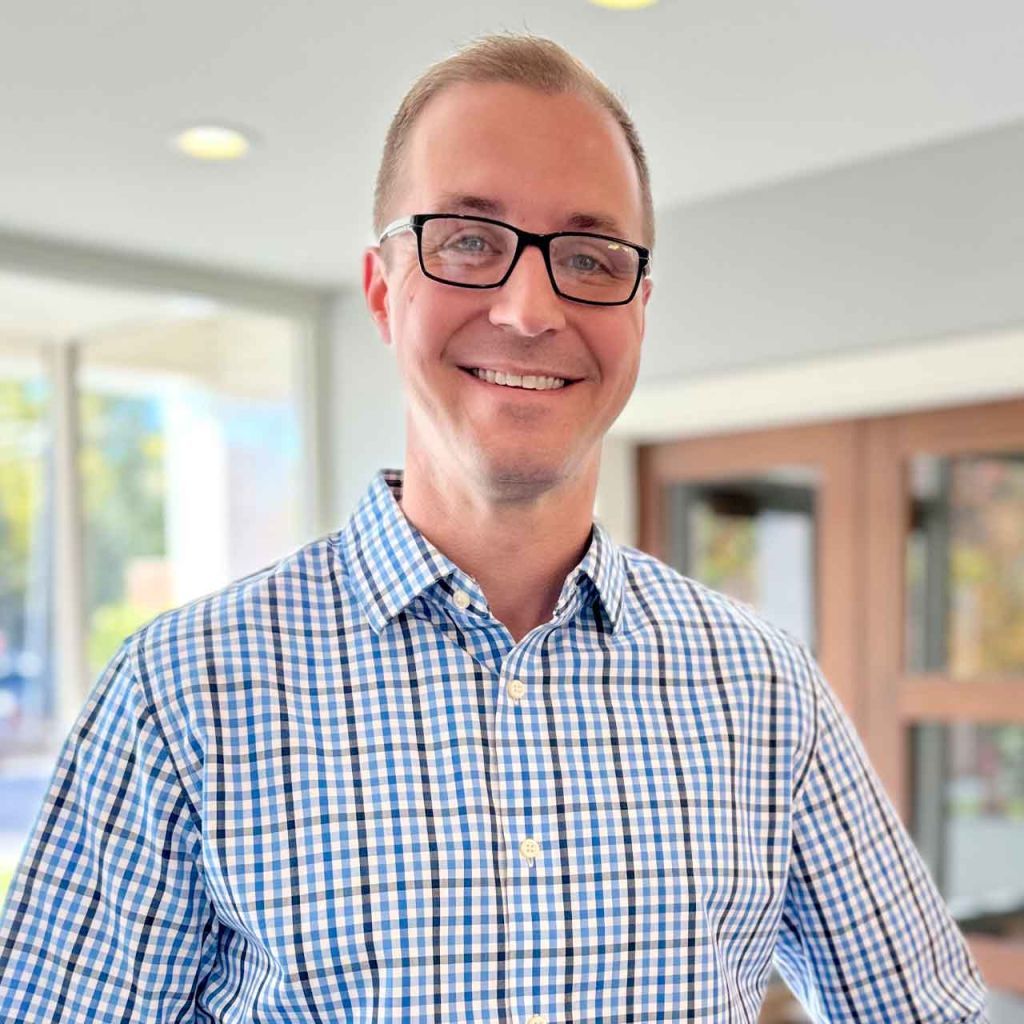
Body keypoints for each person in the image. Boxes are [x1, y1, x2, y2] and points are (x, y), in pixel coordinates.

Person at [0, 32, 989, 1024]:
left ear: (638, 310)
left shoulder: (766, 692)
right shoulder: (181, 695)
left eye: (591, 256)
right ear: (385, 290)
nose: (528, 307)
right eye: (469, 242)